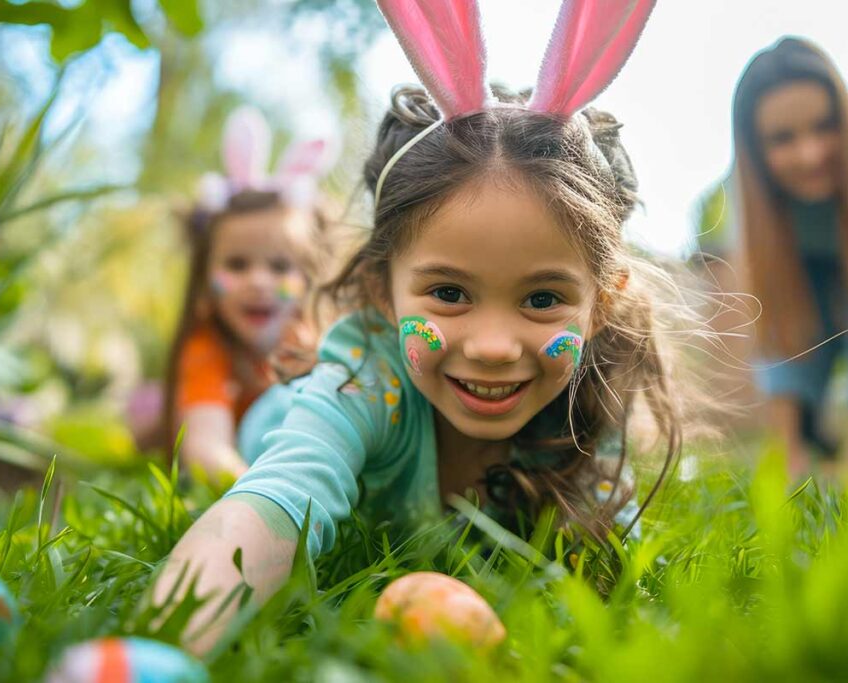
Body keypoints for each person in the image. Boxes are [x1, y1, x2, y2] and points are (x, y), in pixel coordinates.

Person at [153, 0, 693, 654]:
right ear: (382, 289)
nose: (493, 347)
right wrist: (165, 652)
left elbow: (611, 563)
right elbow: (271, 505)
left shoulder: (586, 404)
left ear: (602, 304)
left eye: (543, 298)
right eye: (448, 292)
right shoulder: (364, 380)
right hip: (275, 423)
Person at [730, 37, 848, 476]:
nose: (810, 154)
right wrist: (788, 467)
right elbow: (783, 332)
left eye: (824, 127)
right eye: (783, 138)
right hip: (813, 268)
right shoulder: (749, 198)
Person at [162, 106, 332, 486]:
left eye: (280, 267)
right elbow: (207, 450)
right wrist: (263, 493)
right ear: (205, 278)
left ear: (307, 277)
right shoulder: (206, 350)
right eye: (237, 265)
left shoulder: (319, 344)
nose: (259, 282)